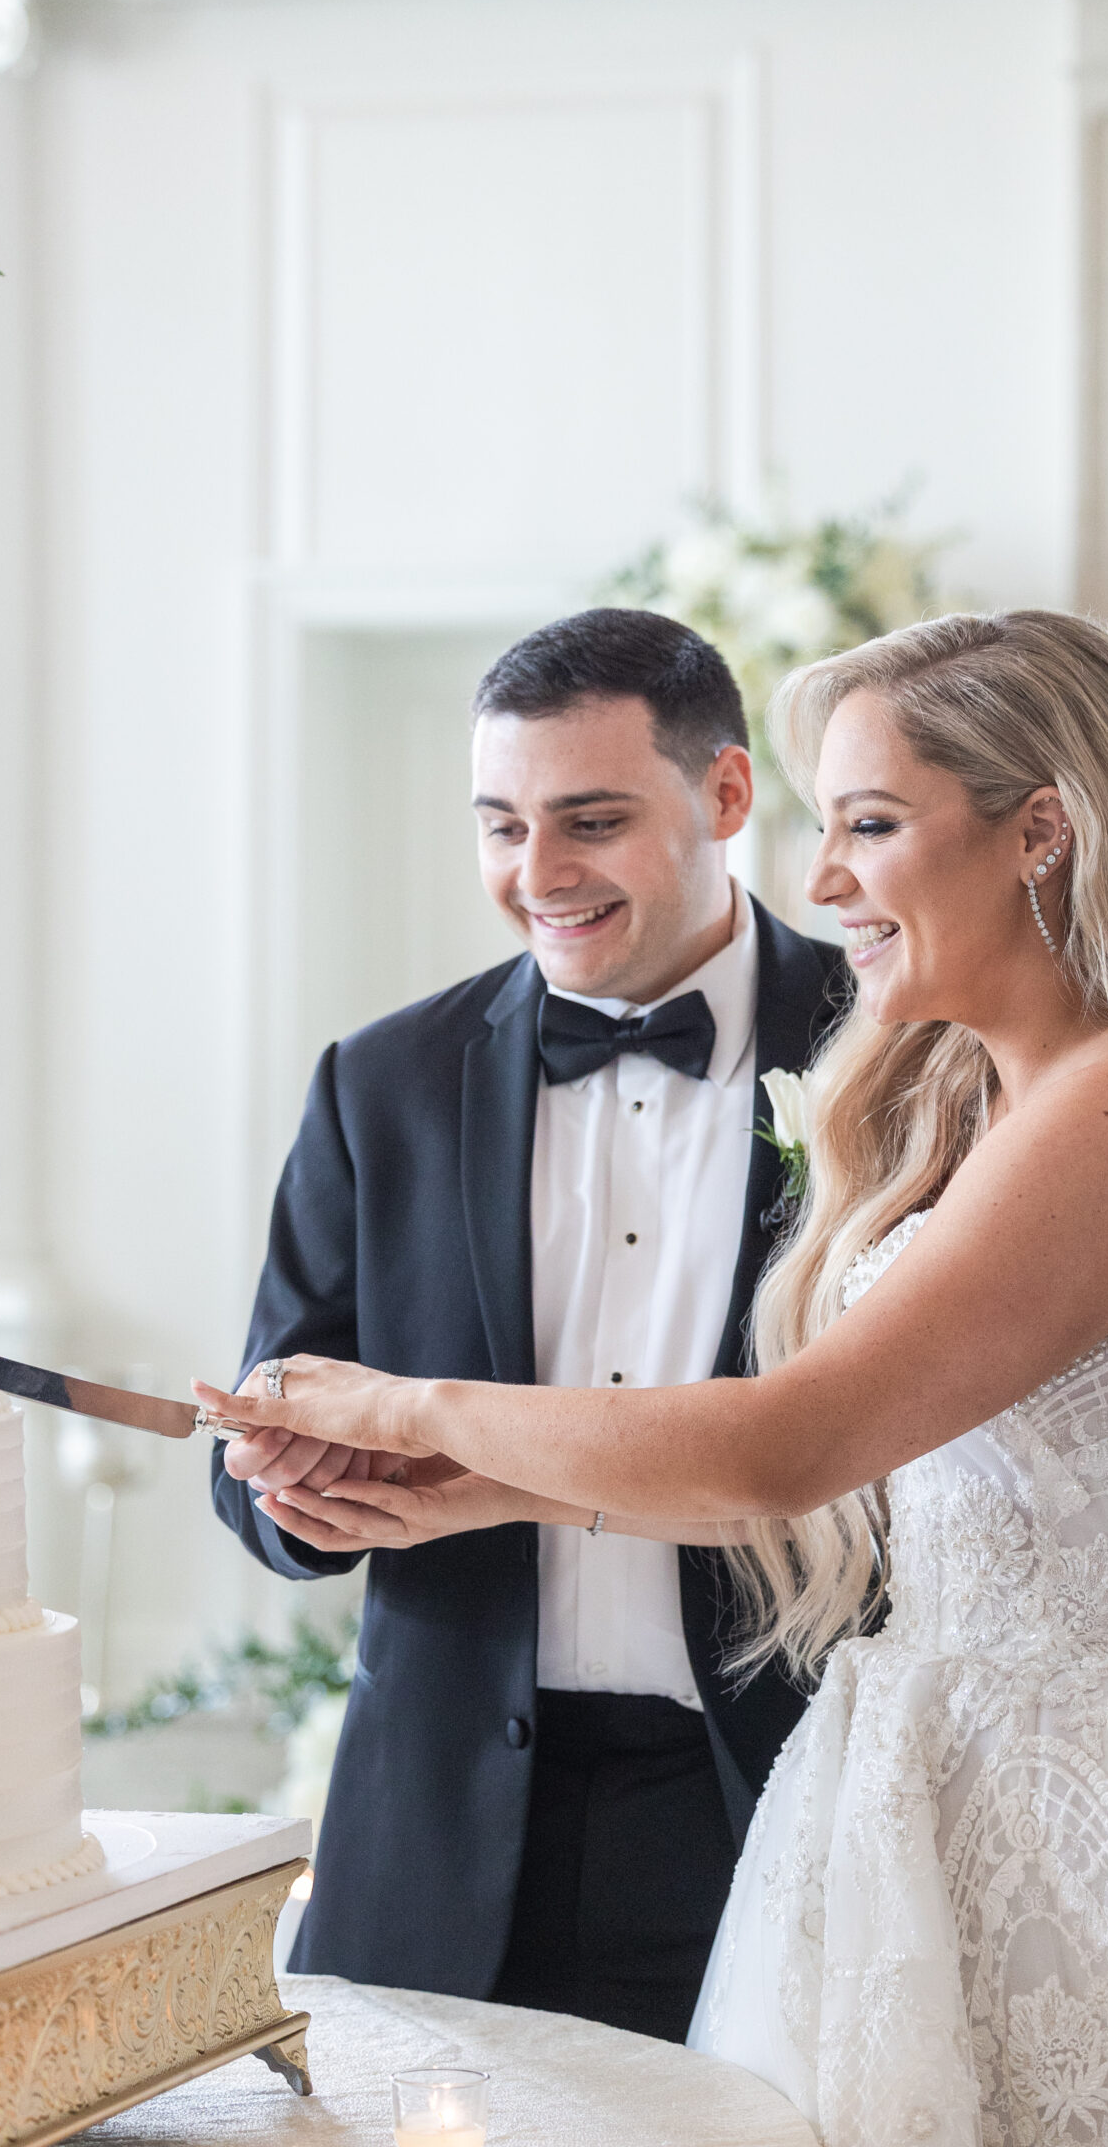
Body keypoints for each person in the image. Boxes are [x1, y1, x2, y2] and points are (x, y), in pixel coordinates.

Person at [200, 608, 1108, 2147]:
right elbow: (896, 1466)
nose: (825, 880)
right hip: (939, 1802)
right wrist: (454, 1490)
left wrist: (404, 1407)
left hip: (1099, 1821)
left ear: (1041, 830)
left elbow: (791, 1447)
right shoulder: (999, 1103)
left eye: (865, 823)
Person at [212, 607, 849, 2042]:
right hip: (440, 1840)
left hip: (784, 1806)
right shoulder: (383, 1082)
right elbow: (254, 1454)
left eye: (591, 821)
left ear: (728, 796)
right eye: (500, 826)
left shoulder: (892, 1054)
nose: (536, 876)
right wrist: (295, 1487)